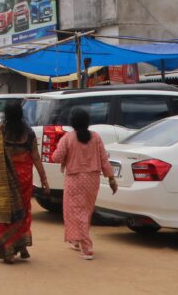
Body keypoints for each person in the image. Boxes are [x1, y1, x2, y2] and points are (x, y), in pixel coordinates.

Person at [52, 107, 117, 260]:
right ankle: (76, 240)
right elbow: (104, 160)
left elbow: (56, 157)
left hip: (74, 180)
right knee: (85, 212)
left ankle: (86, 247)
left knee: (74, 211)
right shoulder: (96, 137)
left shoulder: (68, 138)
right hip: (92, 180)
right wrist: (111, 178)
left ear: (72, 122)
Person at [0, 100, 48, 263]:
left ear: (5, 115)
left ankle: (7, 248)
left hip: (4, 178)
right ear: (21, 115)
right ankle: (21, 245)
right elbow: (35, 157)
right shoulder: (28, 133)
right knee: (23, 211)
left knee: (5, 211)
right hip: (24, 179)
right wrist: (44, 180)